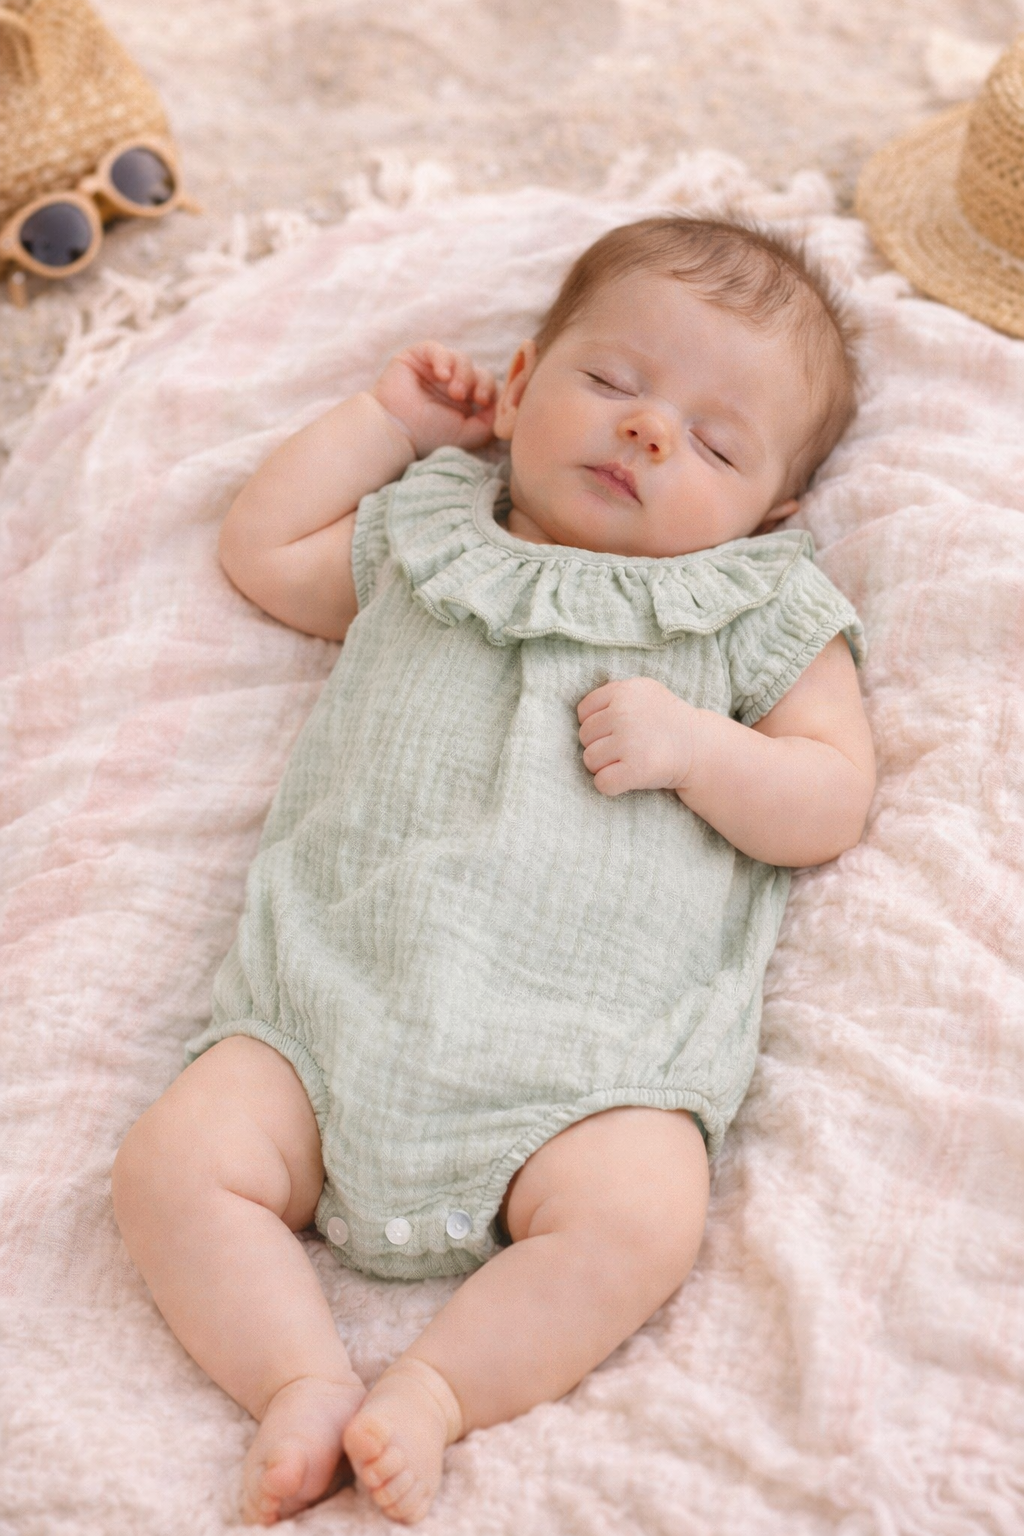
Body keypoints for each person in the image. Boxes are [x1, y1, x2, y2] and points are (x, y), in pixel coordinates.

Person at [112, 216, 876, 1527]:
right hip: (329, 1010)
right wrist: (386, 423)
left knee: (643, 1218)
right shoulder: (428, 544)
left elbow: (832, 795)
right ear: (518, 387)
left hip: (588, 1066)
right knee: (172, 1166)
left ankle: (436, 1391)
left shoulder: (754, 609)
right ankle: (299, 1378)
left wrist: (702, 752)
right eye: (614, 381)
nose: (648, 431)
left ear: (773, 513)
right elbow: (266, 552)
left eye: (716, 443)